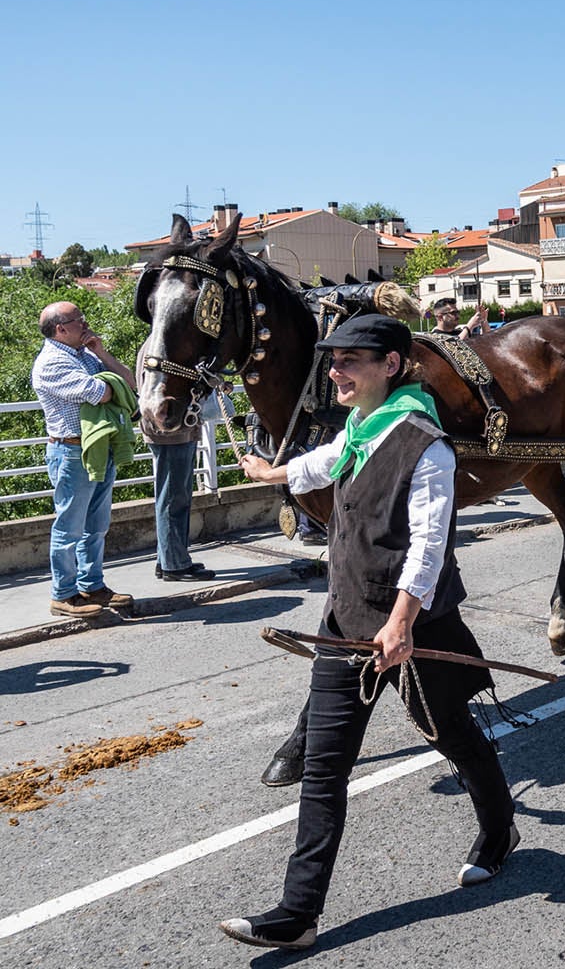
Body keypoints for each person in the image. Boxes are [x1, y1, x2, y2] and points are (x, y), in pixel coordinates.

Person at [225, 314, 518, 950]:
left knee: (456, 738)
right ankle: (298, 914)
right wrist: (273, 474)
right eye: (333, 361)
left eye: (350, 361)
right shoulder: (363, 427)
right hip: (345, 624)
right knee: (325, 767)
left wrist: (402, 622)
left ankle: (499, 832)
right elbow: (331, 459)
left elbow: (430, 547)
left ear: (391, 365)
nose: (335, 371)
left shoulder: (426, 446)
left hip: (413, 625)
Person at [31, 301, 136, 618]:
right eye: (79, 320)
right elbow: (100, 393)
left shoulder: (85, 355)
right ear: (61, 329)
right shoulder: (50, 363)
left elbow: (128, 382)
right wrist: (112, 386)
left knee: (96, 525)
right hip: (71, 451)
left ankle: (92, 585)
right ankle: (63, 594)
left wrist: (102, 352)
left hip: (97, 446)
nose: (86, 323)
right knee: (70, 527)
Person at [137, 355, 216, 583]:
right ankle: (175, 564)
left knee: (174, 496)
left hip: (177, 429)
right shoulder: (162, 347)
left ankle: (170, 558)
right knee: (173, 499)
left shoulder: (159, 345)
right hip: (171, 431)